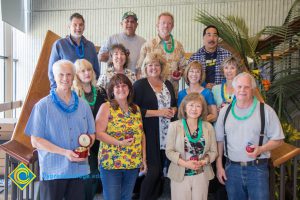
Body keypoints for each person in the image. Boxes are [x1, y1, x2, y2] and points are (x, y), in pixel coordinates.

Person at [25, 60, 96, 200]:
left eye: (69, 74)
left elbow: (92, 134)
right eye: (61, 74)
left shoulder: (83, 105)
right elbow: (36, 141)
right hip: (53, 171)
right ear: (54, 76)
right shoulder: (42, 106)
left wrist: (88, 145)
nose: (65, 78)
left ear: (74, 76)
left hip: (78, 170)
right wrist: (64, 152)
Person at [215, 72, 284, 200]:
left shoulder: (266, 111)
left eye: (246, 87)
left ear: (252, 89)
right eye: (239, 87)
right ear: (234, 89)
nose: (242, 90)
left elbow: (278, 140)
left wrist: (261, 149)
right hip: (232, 169)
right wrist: (219, 166)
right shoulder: (225, 111)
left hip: (257, 169)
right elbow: (219, 141)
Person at [96, 74, 147, 200]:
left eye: (124, 85)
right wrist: (120, 143)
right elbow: (98, 133)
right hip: (111, 163)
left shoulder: (136, 109)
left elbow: (141, 134)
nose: (121, 89)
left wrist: (143, 158)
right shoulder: (106, 107)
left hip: (133, 162)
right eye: (117, 86)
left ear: (129, 88)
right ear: (112, 90)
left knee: (126, 197)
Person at [133, 53, 177, 200]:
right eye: (150, 65)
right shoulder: (140, 85)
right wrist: (160, 112)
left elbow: (174, 104)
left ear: (162, 67)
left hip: (167, 135)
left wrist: (173, 110)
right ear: (145, 67)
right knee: (153, 171)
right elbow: (135, 110)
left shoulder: (168, 84)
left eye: (156, 65)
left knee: (159, 174)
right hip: (149, 134)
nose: (153, 68)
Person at [166, 93, 217, 200]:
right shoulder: (174, 126)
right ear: (184, 108)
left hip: (202, 173)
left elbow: (214, 152)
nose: (194, 109)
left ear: (202, 109)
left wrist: (203, 161)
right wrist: (185, 164)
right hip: (180, 174)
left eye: (198, 106)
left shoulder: (208, 127)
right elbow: (169, 151)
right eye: (191, 105)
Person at [73, 59, 107, 199]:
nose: (87, 73)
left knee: (96, 175)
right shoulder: (73, 93)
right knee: (88, 175)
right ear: (76, 74)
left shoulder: (101, 91)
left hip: (99, 138)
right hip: (81, 140)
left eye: (89, 70)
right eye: (82, 71)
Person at [138, 12, 186, 96]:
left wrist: (180, 73)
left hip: (172, 91)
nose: (166, 26)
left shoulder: (178, 46)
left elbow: (183, 67)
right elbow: (139, 69)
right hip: (151, 93)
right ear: (157, 25)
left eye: (169, 23)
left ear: (172, 26)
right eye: (163, 23)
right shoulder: (148, 45)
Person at [48, 12, 100, 89]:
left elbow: (96, 71)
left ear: (84, 27)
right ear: (69, 26)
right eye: (75, 25)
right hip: (67, 90)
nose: (78, 28)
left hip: (87, 91)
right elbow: (52, 71)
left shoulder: (90, 46)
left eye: (81, 25)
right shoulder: (59, 45)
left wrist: (92, 88)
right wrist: (55, 90)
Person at [189, 25, 232, 89]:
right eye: (209, 35)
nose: (212, 38)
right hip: (201, 92)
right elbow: (189, 78)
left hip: (222, 91)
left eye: (215, 35)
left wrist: (218, 87)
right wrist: (203, 86)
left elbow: (233, 75)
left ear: (218, 38)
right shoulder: (195, 57)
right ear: (203, 37)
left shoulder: (227, 55)